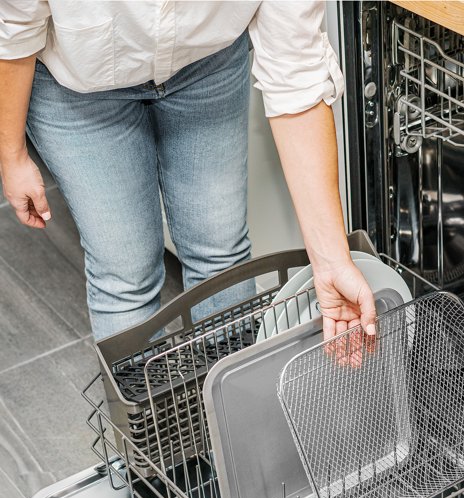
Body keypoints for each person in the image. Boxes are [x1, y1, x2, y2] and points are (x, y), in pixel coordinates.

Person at [0, 1, 376, 342]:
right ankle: (150, 420)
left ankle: (229, 409)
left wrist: (331, 263)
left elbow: (298, 73)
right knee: (126, 273)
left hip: (206, 61)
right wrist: (11, 154)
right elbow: (13, 27)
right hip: (78, 82)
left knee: (221, 255)